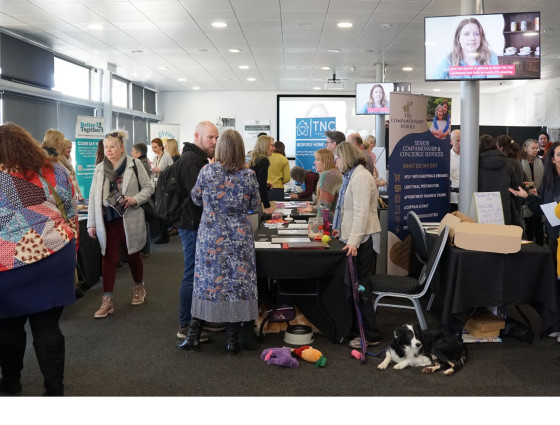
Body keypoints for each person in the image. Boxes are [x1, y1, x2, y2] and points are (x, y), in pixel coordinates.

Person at [0, 122, 77, 396]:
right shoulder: (55, 169)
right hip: (55, 255)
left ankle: (10, 384)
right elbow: (69, 208)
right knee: (47, 328)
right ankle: (54, 391)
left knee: (8, 328)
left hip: (9, 264)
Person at [177, 129, 260, 354]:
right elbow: (254, 203)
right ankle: (232, 340)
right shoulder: (249, 175)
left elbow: (195, 197)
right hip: (239, 239)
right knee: (236, 285)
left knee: (206, 284)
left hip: (211, 237)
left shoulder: (207, 171)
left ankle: (193, 334)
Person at [87, 130, 154, 319]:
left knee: (132, 253)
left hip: (130, 217)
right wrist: (91, 223)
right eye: (106, 147)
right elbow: (93, 196)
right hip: (107, 219)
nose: (109, 150)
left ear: (122, 147)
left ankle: (139, 287)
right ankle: (107, 300)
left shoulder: (134, 165)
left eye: (112, 146)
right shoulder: (100, 168)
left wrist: (135, 199)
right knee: (107, 256)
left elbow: (149, 187)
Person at [332, 142, 382, 349]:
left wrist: (352, 241)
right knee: (354, 288)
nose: (335, 162)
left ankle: (370, 334)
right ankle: (357, 329)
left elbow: (361, 213)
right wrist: (341, 231)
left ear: (346, 157)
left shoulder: (360, 177)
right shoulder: (352, 176)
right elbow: (348, 211)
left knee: (361, 288)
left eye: (337, 157)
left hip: (362, 241)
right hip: (355, 238)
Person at [174, 121, 218, 342]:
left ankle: (196, 320)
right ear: (197, 136)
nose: (214, 142)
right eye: (210, 137)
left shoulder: (196, 159)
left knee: (197, 273)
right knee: (192, 274)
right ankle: (185, 325)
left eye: (216, 138)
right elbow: (201, 197)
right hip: (191, 225)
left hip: (194, 224)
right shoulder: (192, 161)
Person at [433, 17, 499, 80]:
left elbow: (493, 84)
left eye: (476, 34)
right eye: (467, 34)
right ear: (458, 38)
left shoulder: (491, 56)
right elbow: (435, 82)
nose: (472, 38)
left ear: (481, 38)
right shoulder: (449, 59)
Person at [478, 134, 520, 226]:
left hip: (481, 211)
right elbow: (516, 189)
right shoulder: (508, 163)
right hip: (504, 211)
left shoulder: (475, 165)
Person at [299, 148, 342, 219]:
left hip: (333, 222)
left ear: (325, 161)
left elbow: (325, 207)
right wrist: (313, 208)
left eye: (317, 160)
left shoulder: (328, 175)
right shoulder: (332, 173)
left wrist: (318, 225)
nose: (314, 163)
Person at [520, 139, 544, 245]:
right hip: (525, 198)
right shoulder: (520, 162)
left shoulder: (541, 162)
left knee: (539, 227)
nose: (535, 150)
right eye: (533, 148)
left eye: (537, 148)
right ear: (525, 148)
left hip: (539, 197)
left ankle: (541, 248)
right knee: (528, 227)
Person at [151, 138, 174, 244]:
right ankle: (161, 234)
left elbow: (172, 171)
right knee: (158, 210)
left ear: (161, 147)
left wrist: (159, 170)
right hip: (156, 186)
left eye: (155, 147)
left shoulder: (166, 157)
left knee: (162, 210)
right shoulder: (155, 158)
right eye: (152, 147)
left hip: (164, 187)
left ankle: (164, 235)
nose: (153, 149)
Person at [132, 143, 153, 258]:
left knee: (144, 225)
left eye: (133, 152)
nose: (131, 154)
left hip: (141, 198)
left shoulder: (140, 164)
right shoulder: (146, 162)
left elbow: (145, 185)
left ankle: (145, 249)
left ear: (138, 153)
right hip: (142, 198)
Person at [249, 135, 275, 214]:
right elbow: (260, 185)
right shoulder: (264, 160)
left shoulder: (253, 158)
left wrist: (265, 185)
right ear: (264, 145)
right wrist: (267, 206)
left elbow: (254, 180)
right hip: (255, 201)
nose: (274, 148)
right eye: (272, 145)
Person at [449, 129, 461, 212]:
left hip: (466, 194)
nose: (460, 143)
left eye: (462, 140)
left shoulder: (468, 156)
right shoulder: (447, 156)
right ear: (451, 142)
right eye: (458, 140)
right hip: (452, 196)